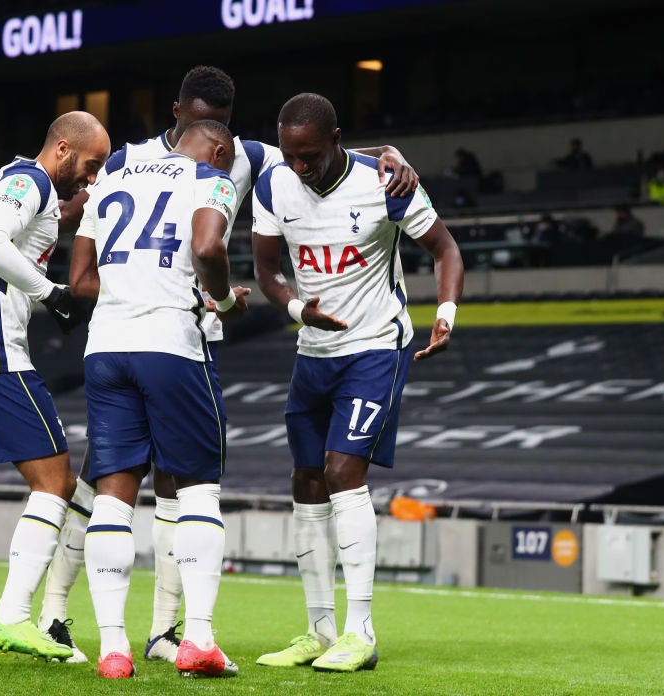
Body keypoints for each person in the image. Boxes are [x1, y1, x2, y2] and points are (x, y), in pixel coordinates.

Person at [27, 65, 421, 666]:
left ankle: (157, 631)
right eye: (208, 123)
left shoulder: (187, 158)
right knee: (139, 482)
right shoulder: (181, 162)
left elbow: (313, 152)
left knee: (149, 486)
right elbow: (85, 206)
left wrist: (387, 155)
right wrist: (23, 198)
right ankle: (59, 614)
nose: (222, 139)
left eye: (226, 126)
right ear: (179, 113)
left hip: (136, 340)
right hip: (175, 335)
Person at [251, 93, 463, 673]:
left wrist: (445, 315)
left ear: (337, 139)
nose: (300, 166)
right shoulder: (273, 185)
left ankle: (360, 632)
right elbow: (267, 272)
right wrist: (297, 309)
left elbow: (445, 248)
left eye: (311, 155)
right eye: (291, 155)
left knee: (344, 471)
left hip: (374, 347)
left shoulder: (386, 181)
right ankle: (319, 631)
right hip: (312, 349)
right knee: (306, 479)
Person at [0, 111, 110, 666]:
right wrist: (51, 293)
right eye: (90, 165)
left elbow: (55, 209)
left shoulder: (22, 179)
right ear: (62, 148)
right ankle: (11, 616)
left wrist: (88, 197)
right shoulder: (28, 181)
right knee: (56, 482)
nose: (92, 177)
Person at [73, 120, 248, 679]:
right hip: (170, 343)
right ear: (220, 149)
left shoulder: (114, 175)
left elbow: (79, 277)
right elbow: (206, 245)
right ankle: (197, 638)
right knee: (198, 490)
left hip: (104, 347)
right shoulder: (210, 177)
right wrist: (222, 299)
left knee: (113, 497)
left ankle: (113, 649)